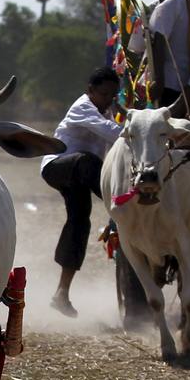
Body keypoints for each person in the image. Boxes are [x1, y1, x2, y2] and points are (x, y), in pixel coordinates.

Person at [40, 67, 124, 317]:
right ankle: (121, 204)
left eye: (113, 95)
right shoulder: (83, 107)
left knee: (80, 223)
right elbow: (114, 134)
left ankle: (62, 293)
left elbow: (112, 151)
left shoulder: (106, 111)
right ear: (90, 91)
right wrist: (135, 126)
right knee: (87, 161)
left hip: (79, 174)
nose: (108, 99)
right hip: (59, 167)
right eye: (104, 93)